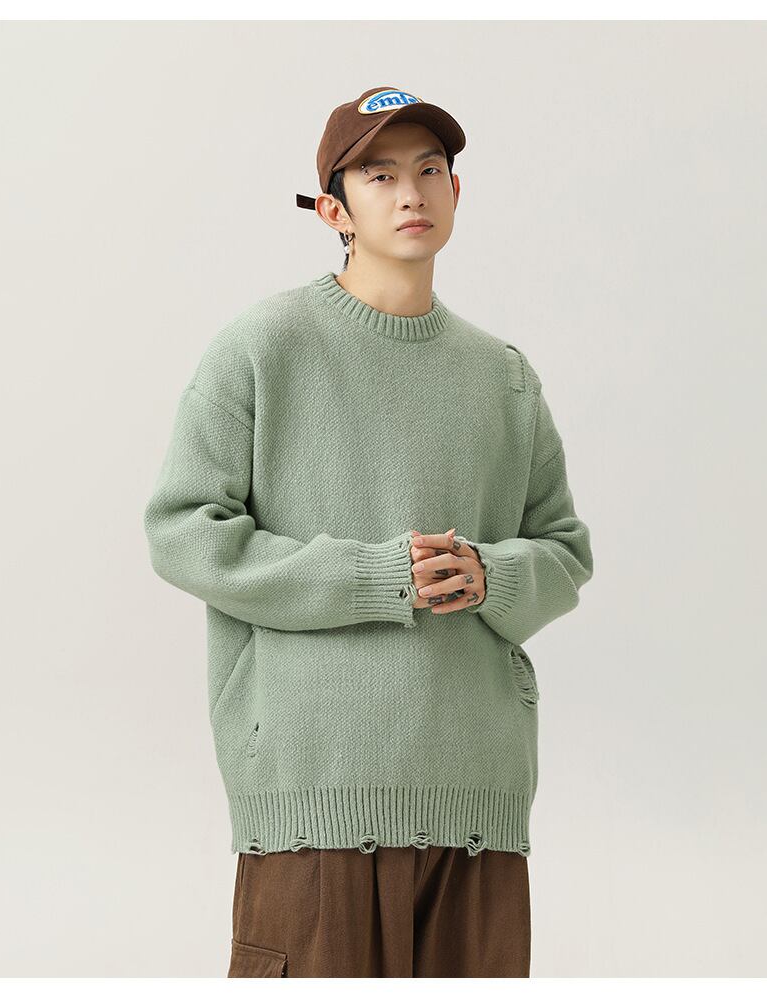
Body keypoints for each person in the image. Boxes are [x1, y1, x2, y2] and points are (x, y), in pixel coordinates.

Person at [142, 85, 594, 978]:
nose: (411, 193)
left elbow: (564, 549)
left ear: (457, 193)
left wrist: (494, 574)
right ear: (334, 211)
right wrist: (371, 578)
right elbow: (182, 530)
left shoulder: (503, 376)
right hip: (315, 796)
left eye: (429, 170)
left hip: (477, 798)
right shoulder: (264, 347)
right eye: (380, 175)